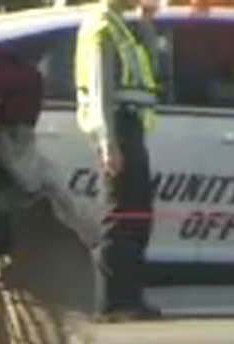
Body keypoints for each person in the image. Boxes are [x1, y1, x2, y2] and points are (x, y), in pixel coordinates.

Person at [75, 0, 162, 322]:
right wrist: (107, 142)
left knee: (137, 214)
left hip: (130, 127)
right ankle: (114, 302)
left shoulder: (122, 25)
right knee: (121, 216)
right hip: (116, 128)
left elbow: (149, 71)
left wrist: (146, 22)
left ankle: (130, 297)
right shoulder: (102, 27)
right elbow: (100, 91)